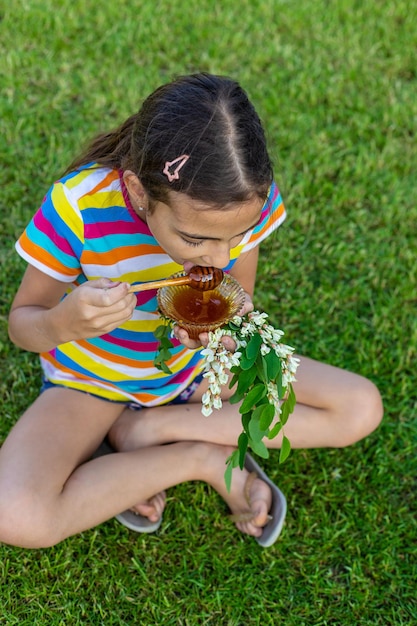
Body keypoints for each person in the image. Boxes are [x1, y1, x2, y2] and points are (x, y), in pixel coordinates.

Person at [0, 73, 383, 550]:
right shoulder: (81, 206)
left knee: (360, 407)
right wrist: (64, 322)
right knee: (16, 514)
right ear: (140, 193)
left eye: (233, 239)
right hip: (92, 382)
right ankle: (200, 459)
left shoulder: (243, 197)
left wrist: (224, 327)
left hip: (198, 373)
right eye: (195, 240)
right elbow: (23, 324)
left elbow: (238, 292)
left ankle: (147, 430)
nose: (220, 258)